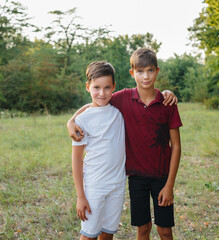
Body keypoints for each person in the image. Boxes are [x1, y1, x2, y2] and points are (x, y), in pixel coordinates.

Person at [68, 48, 182, 240]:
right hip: (132, 178)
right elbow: (97, 102)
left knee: (163, 230)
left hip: (156, 176)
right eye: (140, 71)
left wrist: (170, 184)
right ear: (132, 73)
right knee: (141, 228)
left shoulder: (165, 102)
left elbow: (176, 146)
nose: (145, 76)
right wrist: (71, 121)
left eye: (150, 71)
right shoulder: (123, 98)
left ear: (157, 71)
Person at [72, 61, 126, 240]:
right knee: (89, 235)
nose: (102, 93)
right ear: (88, 87)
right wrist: (81, 196)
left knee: (108, 233)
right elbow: (77, 161)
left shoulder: (119, 112)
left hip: (117, 184)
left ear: (114, 87)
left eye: (107, 88)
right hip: (95, 186)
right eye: (96, 87)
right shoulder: (82, 120)